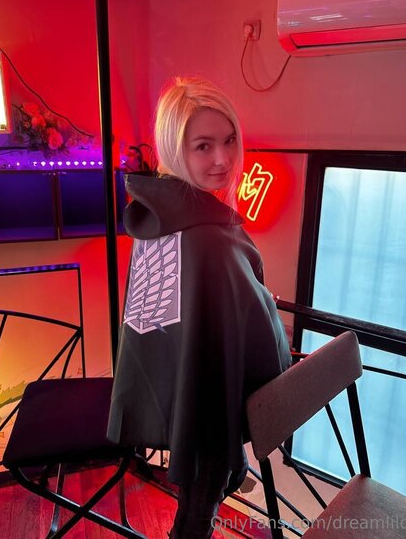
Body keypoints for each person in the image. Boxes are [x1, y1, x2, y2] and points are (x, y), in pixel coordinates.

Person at [107, 77, 292, 538]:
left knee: (196, 503)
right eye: (203, 146)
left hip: (178, 387)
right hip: (209, 399)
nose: (223, 159)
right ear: (176, 149)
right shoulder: (208, 237)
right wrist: (263, 306)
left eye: (229, 141)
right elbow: (248, 331)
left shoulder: (156, 216)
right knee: (196, 518)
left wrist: (246, 298)